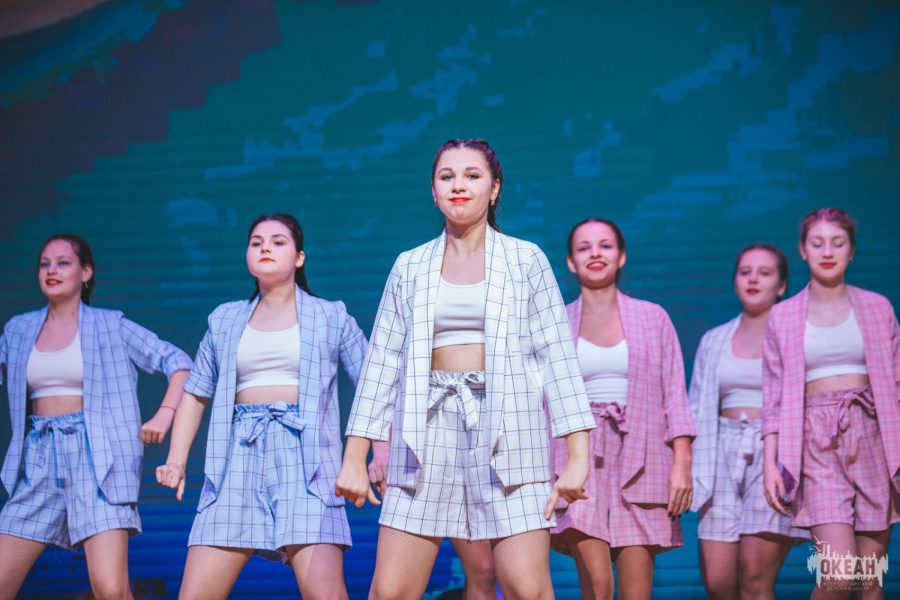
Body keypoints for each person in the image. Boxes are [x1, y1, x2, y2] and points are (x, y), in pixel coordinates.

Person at [335, 138, 594, 600]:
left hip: (509, 433)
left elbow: (558, 358)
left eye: (472, 175)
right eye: (447, 176)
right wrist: (355, 457)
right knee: (390, 592)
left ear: (494, 189)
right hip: (425, 434)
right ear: (433, 192)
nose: (459, 185)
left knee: (527, 589)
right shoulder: (410, 266)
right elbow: (382, 363)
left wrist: (577, 456)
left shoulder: (525, 260)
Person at [156, 214, 367, 600]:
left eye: (278, 241)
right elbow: (196, 392)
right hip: (237, 456)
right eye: (256, 242)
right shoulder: (224, 318)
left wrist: (377, 452)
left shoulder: (330, 315)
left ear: (299, 257)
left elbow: (374, 383)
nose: (265, 247)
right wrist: (176, 460)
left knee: (326, 594)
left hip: (306, 462)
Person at [0, 233, 191, 600]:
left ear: (86, 272)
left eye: (63, 263)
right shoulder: (18, 329)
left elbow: (179, 362)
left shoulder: (110, 325)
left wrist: (164, 415)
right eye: (44, 264)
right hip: (38, 458)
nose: (52, 270)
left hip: (98, 459)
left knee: (110, 589)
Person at [549, 218, 695, 600]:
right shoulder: (556, 322)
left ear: (621, 255)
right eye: (584, 247)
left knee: (636, 592)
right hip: (580, 457)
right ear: (571, 261)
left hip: (643, 456)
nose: (595, 253)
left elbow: (674, 395)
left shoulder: (653, 317)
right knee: (598, 587)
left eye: (605, 245)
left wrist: (682, 463)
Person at [762, 208, 900, 599]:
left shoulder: (877, 307)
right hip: (815, 441)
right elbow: (773, 399)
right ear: (802, 250)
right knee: (839, 575)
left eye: (837, 243)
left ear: (851, 251)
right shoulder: (783, 315)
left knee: (869, 581)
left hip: (873, 435)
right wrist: (772, 463)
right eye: (817, 243)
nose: (827, 251)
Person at [690, 243, 806, 600]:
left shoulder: (798, 336)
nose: (753, 279)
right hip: (720, 454)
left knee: (755, 578)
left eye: (765, 273)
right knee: (719, 583)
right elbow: (696, 408)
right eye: (745, 272)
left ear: (781, 285)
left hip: (773, 452)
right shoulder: (714, 340)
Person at [369, 439, 498, 599]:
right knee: (391, 591)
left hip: (478, 455)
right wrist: (381, 450)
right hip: (423, 459)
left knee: (484, 570)